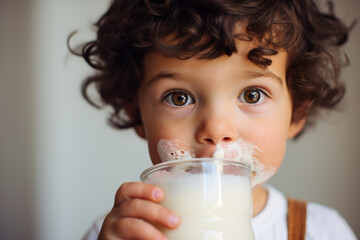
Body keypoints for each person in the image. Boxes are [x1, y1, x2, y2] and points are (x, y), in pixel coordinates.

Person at [73, 0, 357, 239]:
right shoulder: (119, 233)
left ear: (296, 115)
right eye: (179, 98)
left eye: (252, 95)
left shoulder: (323, 231)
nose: (216, 129)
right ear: (136, 115)